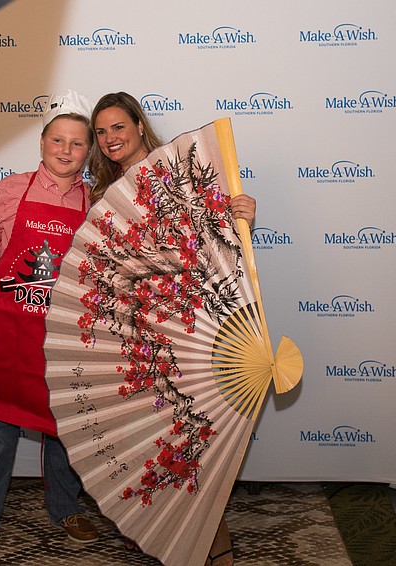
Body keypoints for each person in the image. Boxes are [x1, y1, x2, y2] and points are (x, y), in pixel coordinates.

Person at [90, 92, 255, 566]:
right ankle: (164, 534)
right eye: (101, 133)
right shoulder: (105, 198)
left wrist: (241, 214)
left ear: (140, 126)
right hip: (143, 332)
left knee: (199, 438)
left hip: (193, 327)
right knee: (157, 437)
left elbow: (213, 237)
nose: (110, 139)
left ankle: (215, 544)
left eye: (118, 127)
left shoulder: (180, 172)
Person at [0, 91, 99, 553]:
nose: (65, 150)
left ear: (88, 151)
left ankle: (66, 508)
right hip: (9, 327)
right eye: (58, 140)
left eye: (76, 144)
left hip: (60, 333)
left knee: (61, 429)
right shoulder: (13, 189)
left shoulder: (95, 202)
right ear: (42, 142)